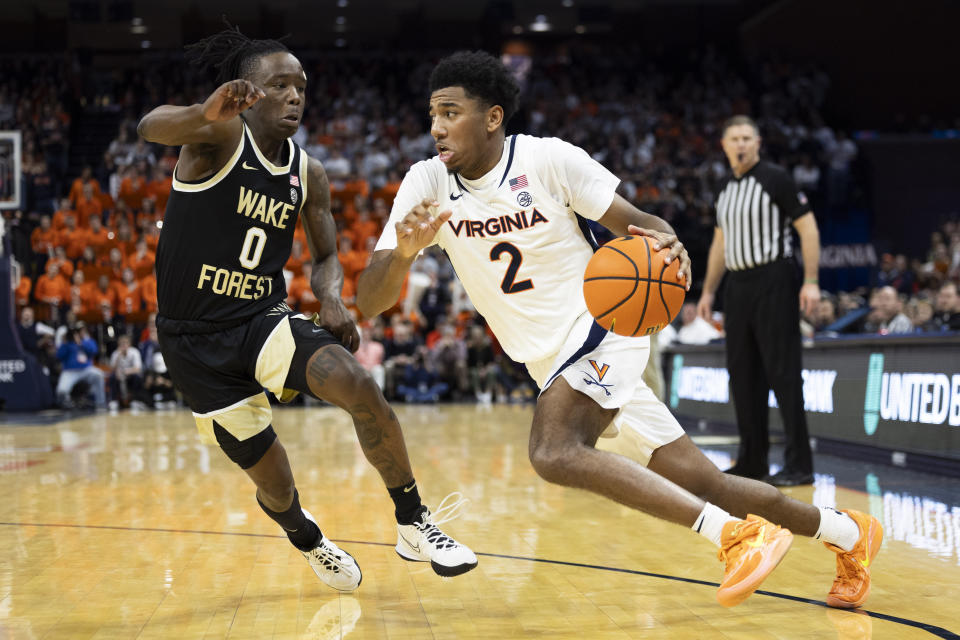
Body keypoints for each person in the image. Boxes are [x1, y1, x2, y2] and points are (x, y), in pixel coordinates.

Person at [357, 51, 881, 609]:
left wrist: (667, 241)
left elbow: (644, 225)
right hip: (546, 361)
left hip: (604, 323)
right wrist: (405, 255)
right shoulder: (426, 183)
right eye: (431, 114)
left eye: (449, 112)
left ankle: (736, 537)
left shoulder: (549, 161)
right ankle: (849, 533)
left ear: (491, 117)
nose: (435, 127)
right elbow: (371, 301)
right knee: (707, 482)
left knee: (553, 450)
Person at [136, 26, 475, 591]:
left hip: (261, 320)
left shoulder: (308, 173)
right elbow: (151, 127)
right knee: (274, 484)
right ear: (250, 91)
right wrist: (204, 109)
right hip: (192, 343)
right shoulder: (215, 138)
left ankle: (414, 521)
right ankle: (306, 537)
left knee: (358, 385)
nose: (295, 95)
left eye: (301, 86)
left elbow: (324, 256)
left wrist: (333, 297)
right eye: (280, 85)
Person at [696, 115, 820, 487]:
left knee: (783, 372)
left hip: (774, 279)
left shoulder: (776, 179)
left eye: (747, 137)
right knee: (742, 374)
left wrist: (811, 281)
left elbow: (808, 227)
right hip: (739, 286)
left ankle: (800, 464)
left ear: (758, 142)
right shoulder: (723, 188)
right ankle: (752, 461)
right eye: (734, 137)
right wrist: (708, 290)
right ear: (723, 144)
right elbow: (720, 242)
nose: (741, 144)